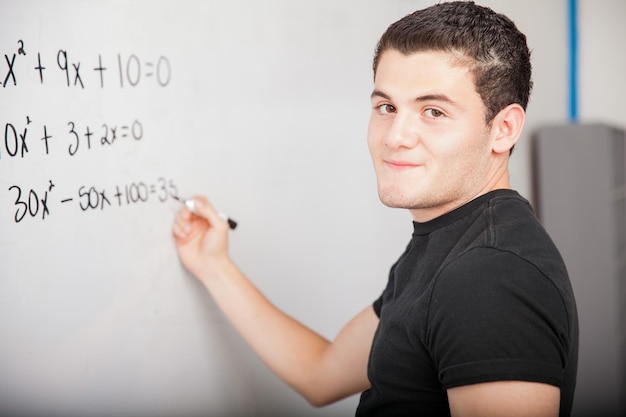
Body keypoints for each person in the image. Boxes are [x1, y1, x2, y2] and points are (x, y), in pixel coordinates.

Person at [172, 1, 579, 416]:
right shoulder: (449, 246)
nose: (396, 136)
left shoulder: (490, 276)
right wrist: (214, 265)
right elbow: (321, 373)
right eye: (387, 107)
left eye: (433, 111)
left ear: (503, 129)